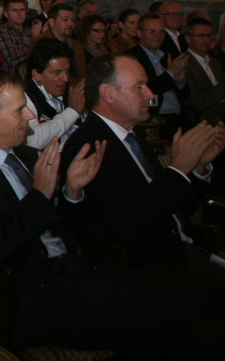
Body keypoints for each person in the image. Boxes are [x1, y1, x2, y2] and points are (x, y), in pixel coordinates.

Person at [0, 71, 225, 358]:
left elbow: (71, 232)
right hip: (29, 297)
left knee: (202, 331)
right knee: (203, 294)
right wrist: (39, 195)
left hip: (80, 276)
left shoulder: (29, 157)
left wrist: (73, 192)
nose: (30, 117)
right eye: (20, 110)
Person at [62, 53, 225, 278]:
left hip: (184, 252)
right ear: (108, 94)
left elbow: (172, 203)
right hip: (148, 269)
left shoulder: (132, 137)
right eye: (139, 87)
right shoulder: (88, 146)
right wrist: (178, 168)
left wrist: (198, 167)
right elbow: (128, 224)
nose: (150, 95)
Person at [124, 13, 190, 133]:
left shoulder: (168, 56)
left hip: (179, 115)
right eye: (152, 31)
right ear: (139, 33)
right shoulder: (131, 59)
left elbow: (185, 96)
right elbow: (143, 91)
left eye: (161, 32)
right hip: (153, 118)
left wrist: (180, 82)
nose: (158, 36)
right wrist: (170, 74)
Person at [21, 38, 85, 150]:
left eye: (67, 71)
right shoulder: (23, 96)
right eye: (57, 72)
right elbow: (32, 140)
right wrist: (73, 111)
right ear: (37, 74)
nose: (65, 79)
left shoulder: (67, 91)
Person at [183, 17, 225, 126]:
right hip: (202, 117)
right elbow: (195, 100)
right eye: (201, 36)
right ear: (188, 38)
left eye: (208, 36)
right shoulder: (184, 64)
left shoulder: (215, 63)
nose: (206, 40)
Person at [0, 0, 35, 72]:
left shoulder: (29, 31)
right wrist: (34, 41)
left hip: (30, 75)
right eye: (15, 10)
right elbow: (12, 60)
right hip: (9, 76)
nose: (19, 14)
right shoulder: (1, 30)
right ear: (6, 14)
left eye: (22, 10)